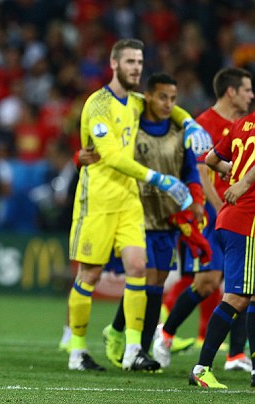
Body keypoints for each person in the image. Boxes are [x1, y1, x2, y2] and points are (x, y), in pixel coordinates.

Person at [66, 38, 206, 372]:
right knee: (90, 274)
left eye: (140, 62)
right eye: (130, 62)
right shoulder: (97, 105)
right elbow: (111, 156)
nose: (136, 68)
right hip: (97, 200)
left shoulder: (136, 102)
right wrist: (159, 179)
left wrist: (189, 122)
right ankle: (77, 351)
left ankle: (132, 350)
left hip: (129, 200)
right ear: (114, 64)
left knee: (138, 268)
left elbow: (164, 107)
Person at [95, 73, 205, 367]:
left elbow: (190, 170)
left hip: (167, 215)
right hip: (136, 210)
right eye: (162, 97)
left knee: (157, 281)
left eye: (173, 98)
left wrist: (195, 199)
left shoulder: (180, 131)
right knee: (139, 275)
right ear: (148, 97)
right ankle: (127, 341)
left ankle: (130, 342)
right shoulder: (133, 127)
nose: (168, 104)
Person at [153, 67, 254, 371]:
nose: (251, 95)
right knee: (210, 283)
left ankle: (236, 355)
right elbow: (200, 171)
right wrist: (217, 205)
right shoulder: (204, 124)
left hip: (235, 213)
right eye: (247, 89)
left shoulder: (240, 125)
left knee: (241, 285)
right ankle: (166, 334)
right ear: (231, 91)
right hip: (218, 214)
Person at [189, 104, 255, 389]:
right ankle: (201, 368)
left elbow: (212, 159)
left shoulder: (242, 124)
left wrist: (233, 171)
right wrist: (242, 183)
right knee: (238, 297)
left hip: (232, 219)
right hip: (247, 222)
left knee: (251, 297)